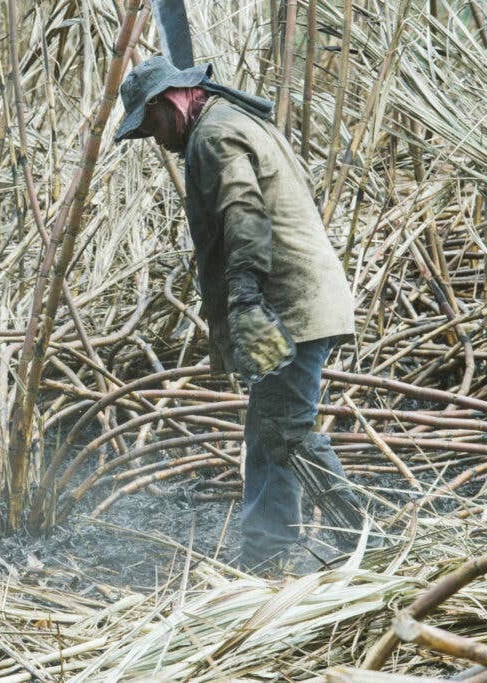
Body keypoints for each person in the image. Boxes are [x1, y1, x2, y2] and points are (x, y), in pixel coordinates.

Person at [114, 56, 363, 573]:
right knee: (269, 430)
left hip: (287, 306)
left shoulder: (214, 135)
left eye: (151, 124)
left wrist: (247, 298)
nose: (155, 140)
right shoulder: (233, 118)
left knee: (285, 430)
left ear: (169, 102)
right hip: (300, 301)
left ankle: (355, 540)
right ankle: (267, 554)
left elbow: (244, 212)